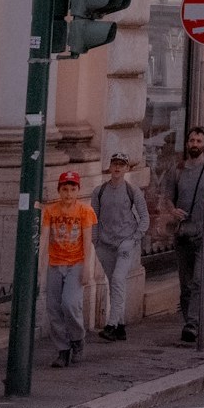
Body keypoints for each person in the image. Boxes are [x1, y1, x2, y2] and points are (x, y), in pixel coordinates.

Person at [162, 127, 204, 344]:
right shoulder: (176, 170)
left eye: (198, 140)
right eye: (191, 140)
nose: (195, 144)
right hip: (183, 231)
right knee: (185, 283)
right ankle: (191, 317)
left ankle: (192, 324)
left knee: (199, 279)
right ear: (187, 143)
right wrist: (172, 211)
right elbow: (168, 198)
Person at [91, 154, 148, 342]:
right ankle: (121, 326)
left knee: (117, 280)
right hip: (105, 243)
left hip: (125, 242)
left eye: (121, 165)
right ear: (109, 167)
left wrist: (134, 239)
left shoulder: (133, 191)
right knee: (114, 283)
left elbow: (144, 218)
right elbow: (94, 218)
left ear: (126, 169)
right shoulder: (99, 191)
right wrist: (95, 241)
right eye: (114, 164)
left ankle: (111, 324)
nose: (117, 168)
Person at [43, 171, 96, 367]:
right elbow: (44, 238)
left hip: (76, 263)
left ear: (78, 191)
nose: (68, 194)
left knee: (70, 303)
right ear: (59, 190)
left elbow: (87, 240)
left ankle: (77, 339)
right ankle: (62, 350)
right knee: (54, 308)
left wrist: (86, 268)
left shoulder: (85, 211)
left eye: (72, 189)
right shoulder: (50, 211)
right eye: (65, 189)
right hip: (55, 263)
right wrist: (41, 267)